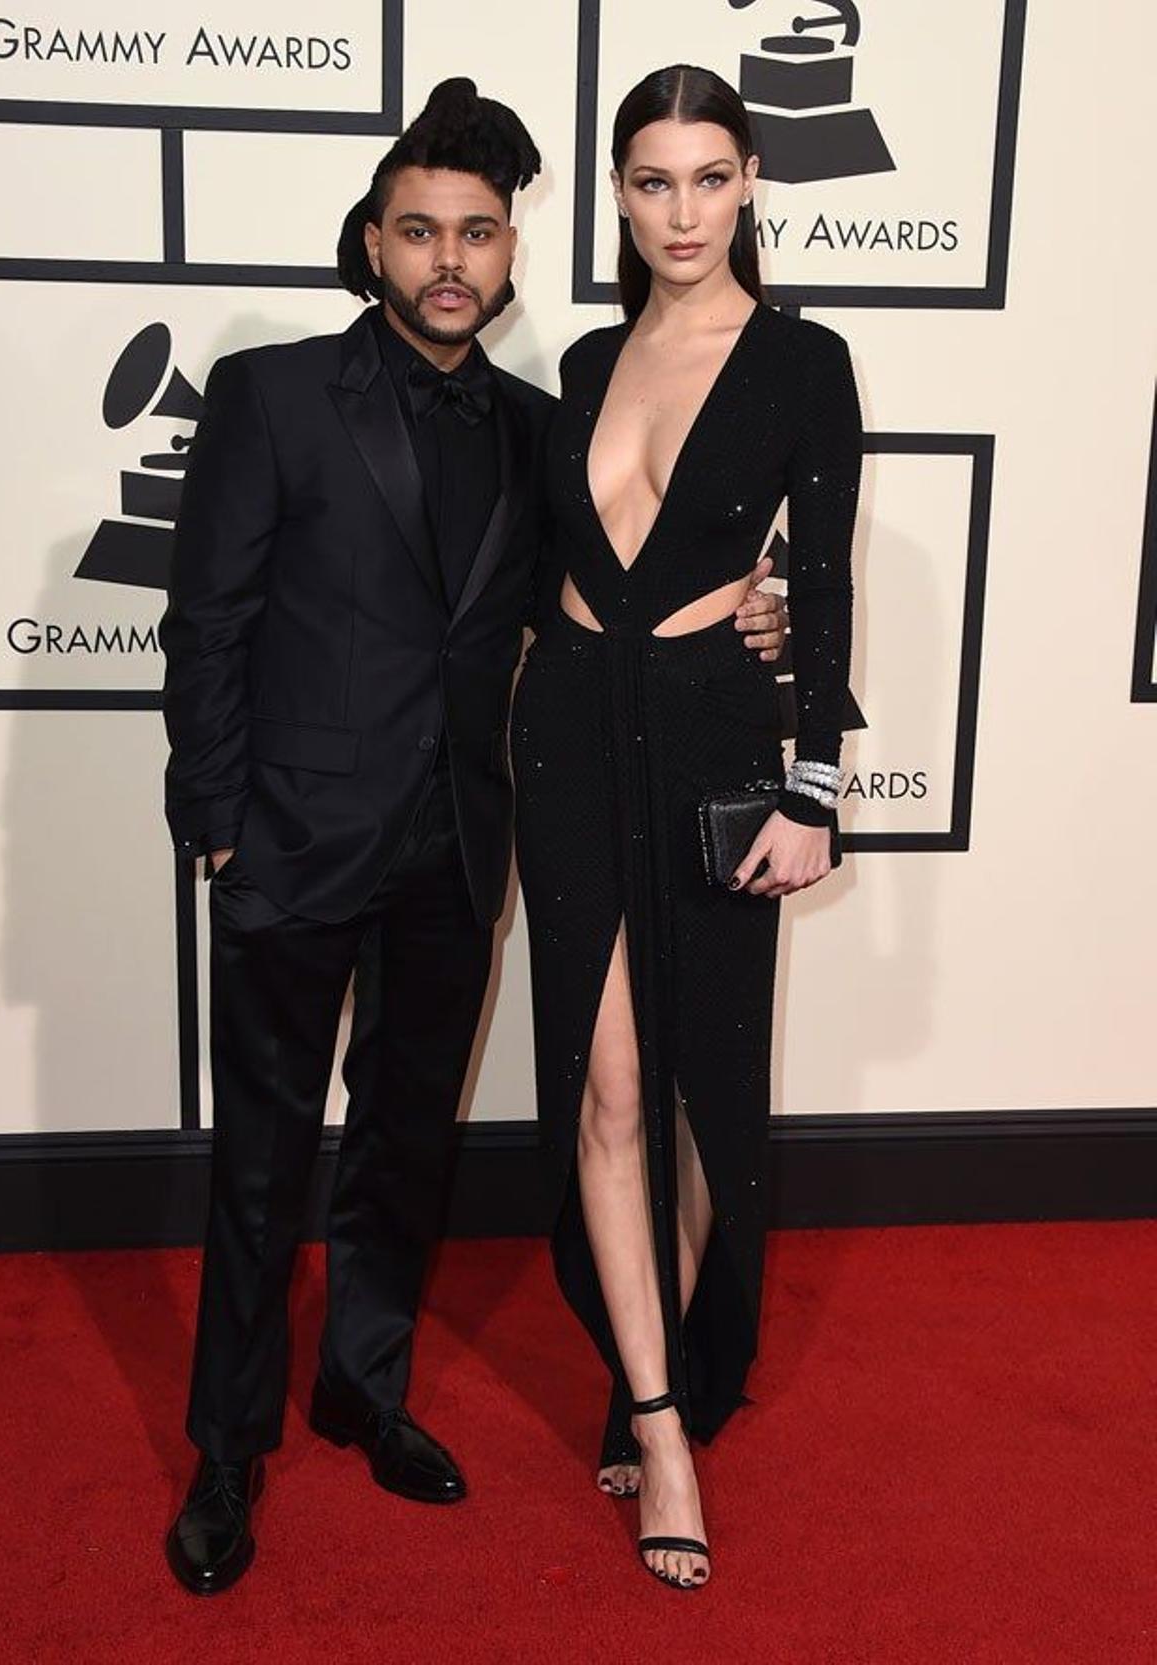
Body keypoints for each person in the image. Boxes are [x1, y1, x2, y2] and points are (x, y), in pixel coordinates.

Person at [159, 77, 788, 1595]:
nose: (452, 258)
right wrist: (218, 828)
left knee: (402, 1148)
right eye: (422, 230)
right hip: (291, 845)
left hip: (456, 851)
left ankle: (362, 1385)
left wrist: (757, 618)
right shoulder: (271, 393)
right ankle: (229, 1444)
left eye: (482, 233)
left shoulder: (538, 425)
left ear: (512, 253)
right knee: (258, 1166)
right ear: (372, 243)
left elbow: (612, 608)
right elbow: (208, 627)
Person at [511, 63, 862, 1591]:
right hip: (572, 734)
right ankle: (658, 1420)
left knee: (712, 1095)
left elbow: (825, 581)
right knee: (605, 1089)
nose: (681, 212)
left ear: (750, 182)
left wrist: (816, 783)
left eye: (709, 179)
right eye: (652, 182)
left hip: (717, 735)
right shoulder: (583, 363)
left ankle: (686, 1343)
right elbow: (543, 572)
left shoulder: (803, 360)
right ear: (618, 192)